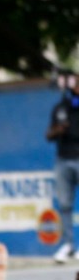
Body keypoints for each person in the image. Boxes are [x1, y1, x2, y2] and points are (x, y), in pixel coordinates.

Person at [48, 74, 79, 263]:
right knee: (65, 205)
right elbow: (48, 134)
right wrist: (58, 130)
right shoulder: (61, 108)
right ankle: (69, 245)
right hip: (63, 159)